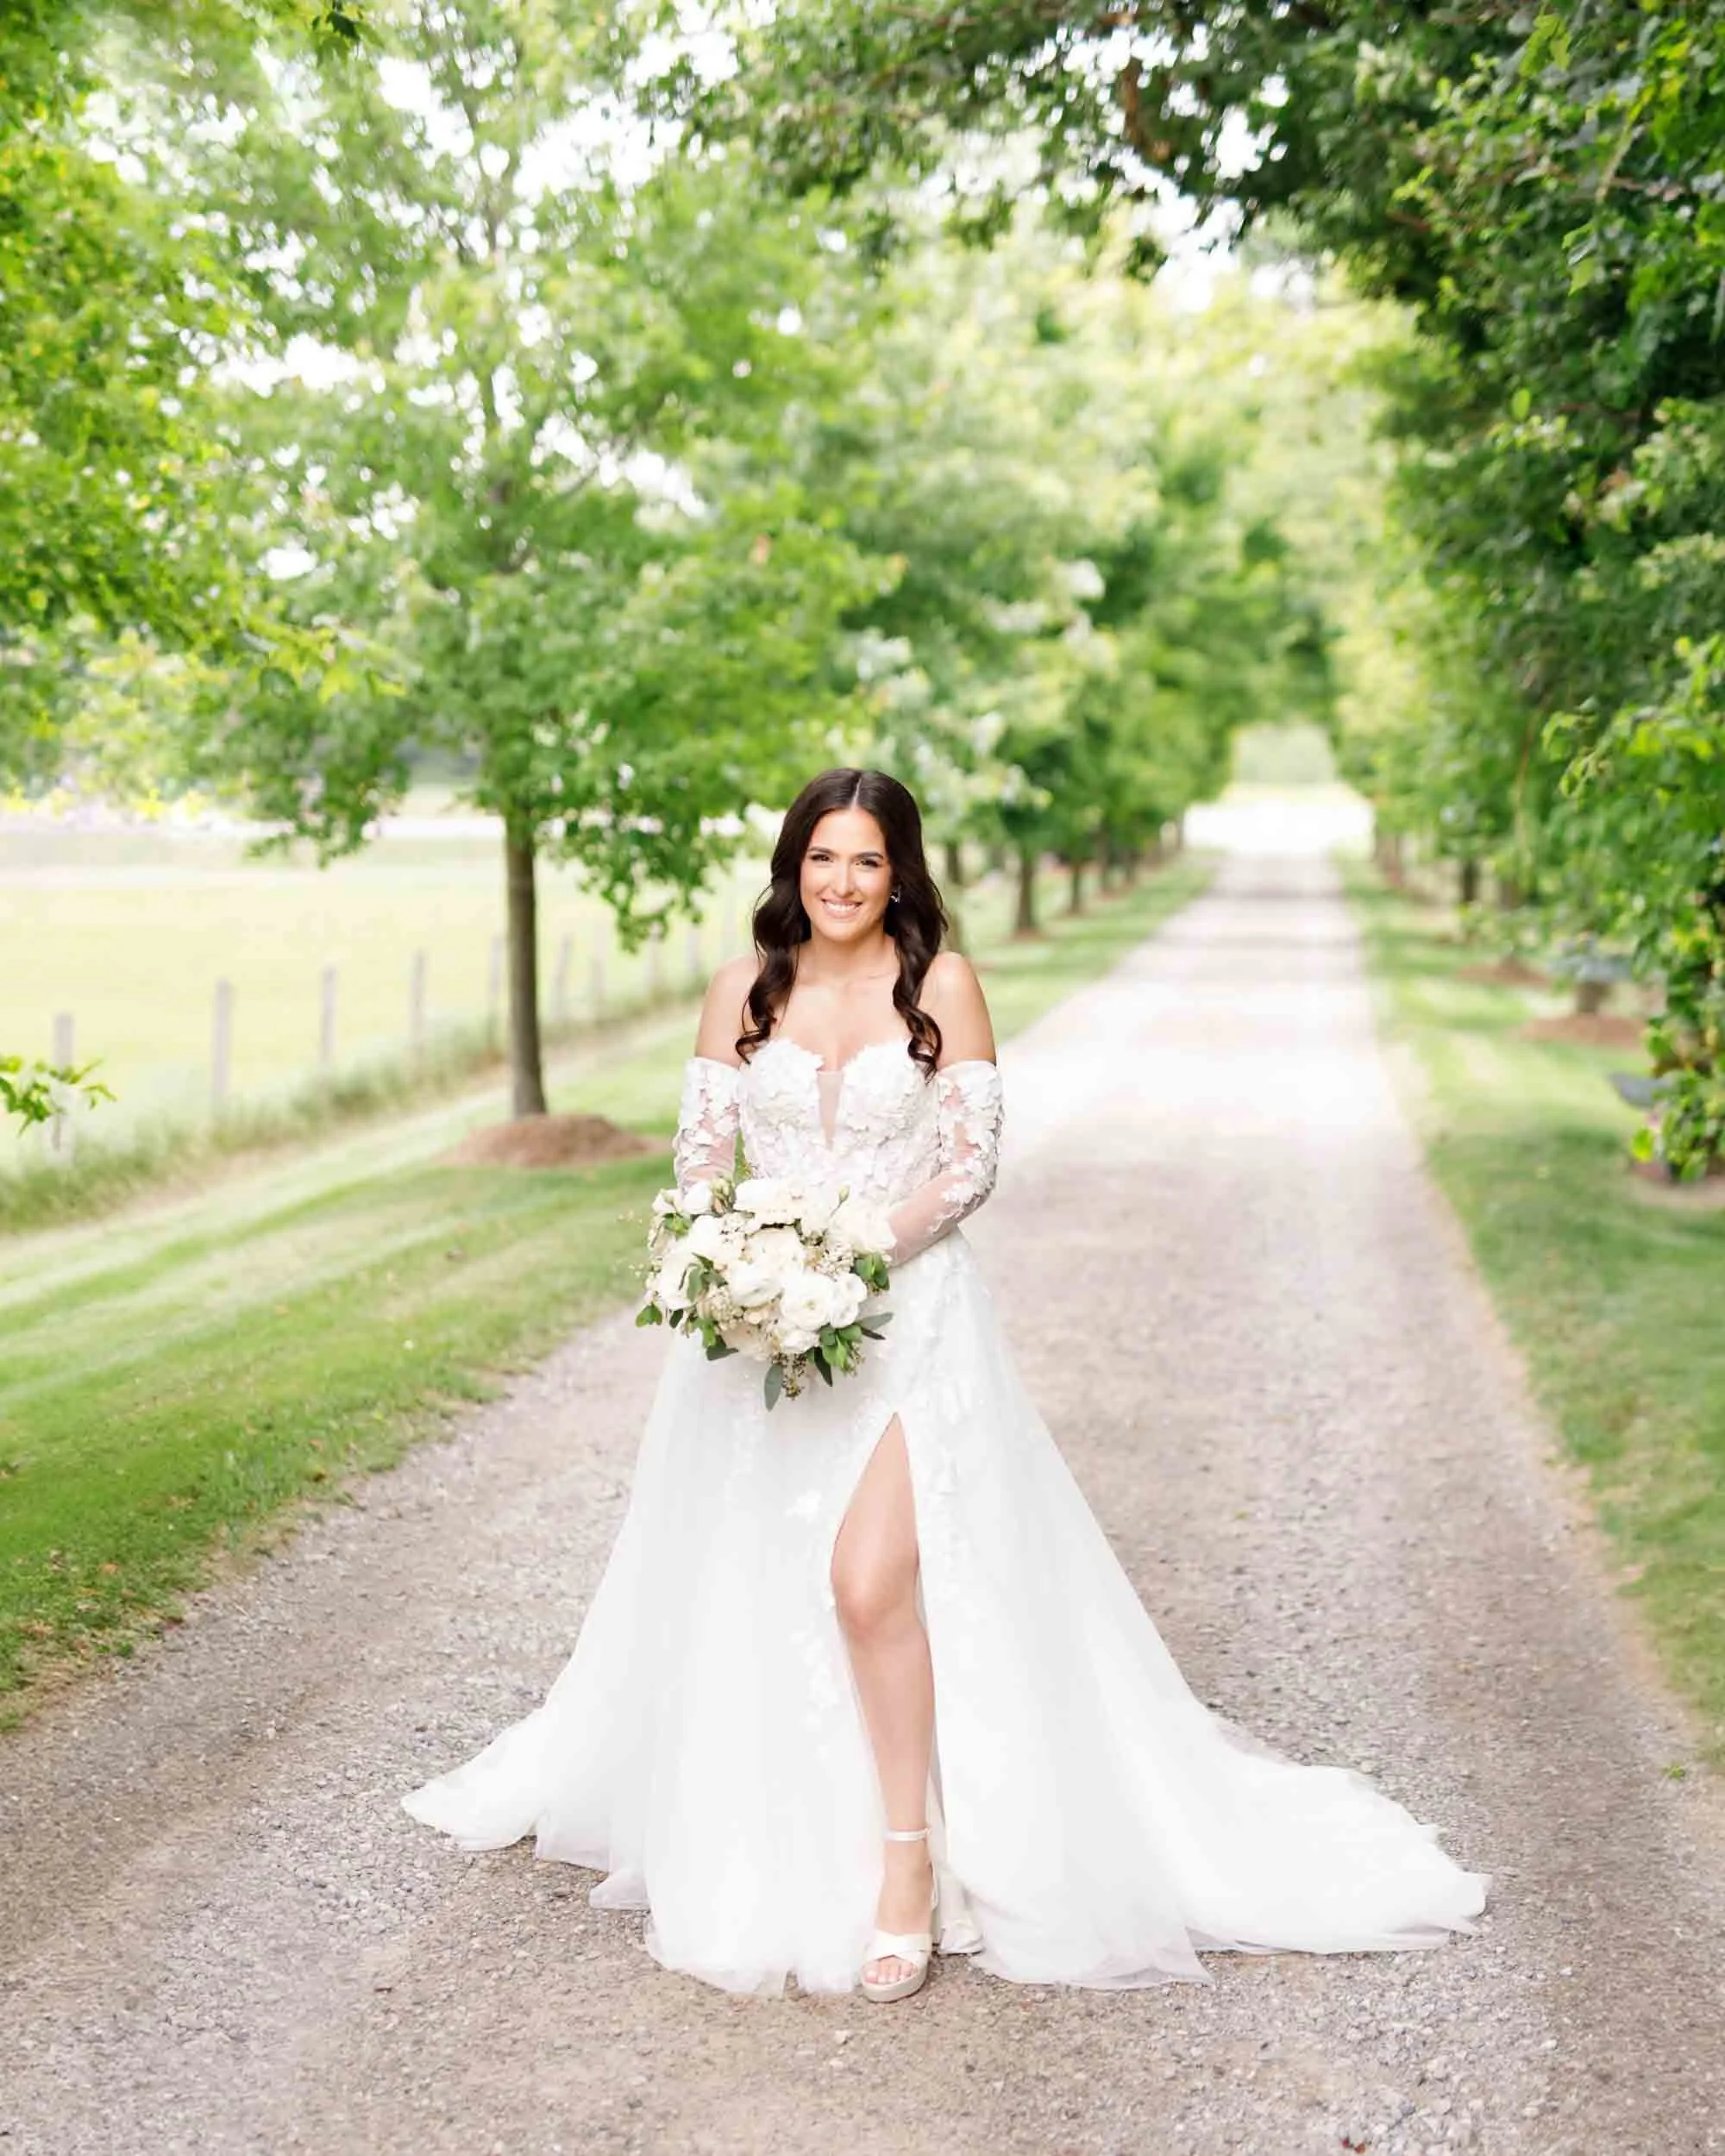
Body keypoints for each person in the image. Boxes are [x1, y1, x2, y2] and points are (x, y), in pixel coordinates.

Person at [403, 767, 1489, 2003]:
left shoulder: (943, 987)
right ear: (791, 867)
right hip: (759, 1340)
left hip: (908, 1324)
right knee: (761, 1582)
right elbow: (702, 1168)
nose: (842, 882)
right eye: (822, 858)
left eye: (866, 860)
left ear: (901, 871)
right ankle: (779, 1835)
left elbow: (969, 1171)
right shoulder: (740, 993)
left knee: (869, 1584)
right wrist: (737, 1267)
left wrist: (843, 1259)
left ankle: (908, 1870)